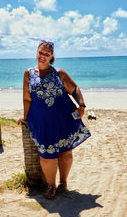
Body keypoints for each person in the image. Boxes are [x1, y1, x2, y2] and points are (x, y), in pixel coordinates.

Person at [18, 40, 91, 199]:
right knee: (46, 155)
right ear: (36, 52)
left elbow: (74, 89)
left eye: (46, 54)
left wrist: (82, 105)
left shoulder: (59, 73)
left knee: (65, 152)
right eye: (40, 52)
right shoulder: (28, 73)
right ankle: (51, 185)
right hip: (42, 121)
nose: (42, 56)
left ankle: (63, 183)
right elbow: (27, 98)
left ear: (51, 57)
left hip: (63, 119)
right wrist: (25, 117)